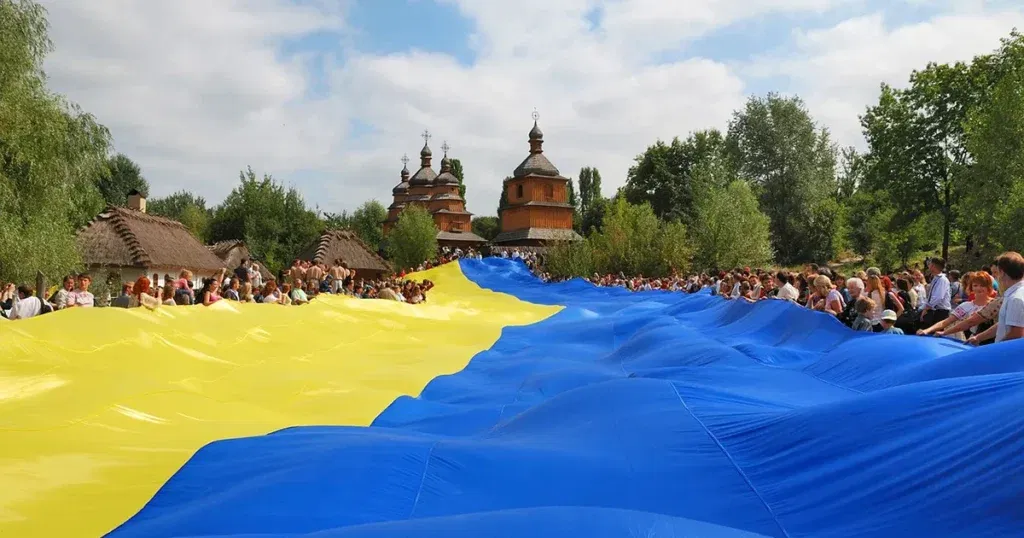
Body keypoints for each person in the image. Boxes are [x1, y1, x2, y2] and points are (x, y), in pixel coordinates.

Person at [991, 252, 1024, 344]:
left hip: (1007, 353)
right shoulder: (1016, 293)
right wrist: (979, 337)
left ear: (1001, 272)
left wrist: (995, 349)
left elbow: (1017, 333)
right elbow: (1004, 323)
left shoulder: (1015, 298)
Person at [920, 257, 951, 327]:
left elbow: (938, 297)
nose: (928, 266)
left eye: (930, 264)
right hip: (935, 310)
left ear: (933, 266)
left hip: (940, 312)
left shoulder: (942, 280)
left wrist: (927, 308)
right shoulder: (936, 278)